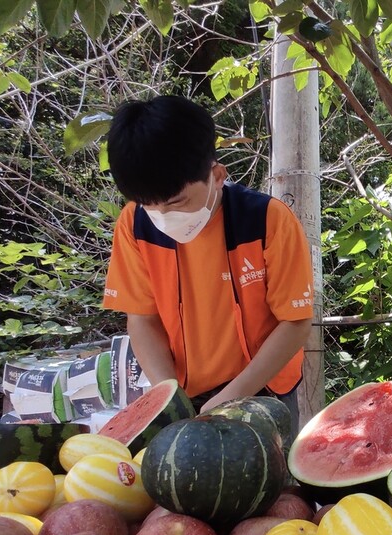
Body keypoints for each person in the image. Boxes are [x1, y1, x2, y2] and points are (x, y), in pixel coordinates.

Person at [102, 95, 314, 430]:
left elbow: (295, 322)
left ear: (216, 175)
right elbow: (142, 320)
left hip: (263, 388)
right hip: (183, 390)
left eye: (176, 201)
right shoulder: (134, 224)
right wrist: (169, 397)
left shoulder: (267, 220)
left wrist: (232, 397)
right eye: (148, 204)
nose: (163, 216)